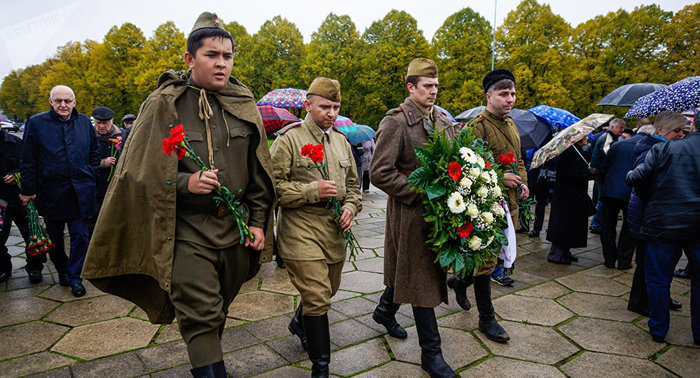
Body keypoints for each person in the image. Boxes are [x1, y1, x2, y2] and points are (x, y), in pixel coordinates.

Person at [81, 12, 276, 377]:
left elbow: (259, 171)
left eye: (228, 56)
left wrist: (259, 221)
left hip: (236, 233)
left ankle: (206, 360)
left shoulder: (243, 102)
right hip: (185, 231)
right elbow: (135, 173)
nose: (221, 63)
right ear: (189, 59)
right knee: (201, 316)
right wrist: (186, 183)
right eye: (211, 55)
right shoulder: (163, 104)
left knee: (217, 310)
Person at [371, 58, 459, 378]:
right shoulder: (396, 121)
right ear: (411, 87)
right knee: (421, 280)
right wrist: (422, 191)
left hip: (439, 214)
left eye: (436, 86)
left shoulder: (443, 119)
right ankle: (431, 354)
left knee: (407, 271)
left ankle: (384, 311)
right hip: (410, 213)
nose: (434, 91)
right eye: (427, 86)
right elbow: (379, 172)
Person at [270, 77, 362, 377]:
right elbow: (272, 188)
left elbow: (353, 187)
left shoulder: (340, 141)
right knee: (318, 295)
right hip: (300, 229)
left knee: (329, 289)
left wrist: (349, 208)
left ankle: (300, 321)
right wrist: (312, 191)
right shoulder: (289, 140)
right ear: (307, 105)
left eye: (336, 107)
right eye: (325, 106)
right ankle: (320, 368)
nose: (331, 113)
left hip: (334, 232)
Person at [625, 116, 700, 345]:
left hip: (662, 223)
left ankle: (658, 329)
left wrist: (653, 194)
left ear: (693, 125)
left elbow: (633, 178)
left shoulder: (664, 148)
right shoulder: (666, 148)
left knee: (658, 279)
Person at [19, 85, 99, 297]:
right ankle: (62, 269)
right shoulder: (36, 123)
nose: (63, 105)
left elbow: (94, 151)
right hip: (51, 191)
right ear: (50, 102)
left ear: (74, 102)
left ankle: (75, 276)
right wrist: (27, 190)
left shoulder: (83, 122)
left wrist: (90, 173)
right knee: (54, 238)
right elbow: (28, 159)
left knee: (81, 236)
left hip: (80, 191)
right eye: (58, 100)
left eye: (67, 100)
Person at [465, 68, 529, 287]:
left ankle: (488, 272)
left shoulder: (511, 124)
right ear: (488, 96)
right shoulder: (477, 127)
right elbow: (469, 169)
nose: (510, 99)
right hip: (487, 204)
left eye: (512, 93)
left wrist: (523, 183)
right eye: (503, 94)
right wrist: (500, 178)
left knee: (504, 246)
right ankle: (474, 290)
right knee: (485, 252)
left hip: (510, 200)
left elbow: (519, 159)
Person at [627, 114, 686, 316]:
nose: (681, 135)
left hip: (649, 213)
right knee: (646, 262)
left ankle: (650, 299)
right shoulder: (653, 149)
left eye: (683, 131)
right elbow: (639, 182)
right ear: (661, 131)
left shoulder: (661, 147)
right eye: (676, 130)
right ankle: (640, 302)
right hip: (647, 214)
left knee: (651, 262)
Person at [0, 128, 45, 283]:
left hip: (20, 197)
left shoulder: (15, 143)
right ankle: (3, 267)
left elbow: (29, 164)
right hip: (0, 201)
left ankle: (34, 268)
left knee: (31, 234)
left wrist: (15, 174)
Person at [598, 127, 645, 270]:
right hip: (632, 191)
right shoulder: (649, 147)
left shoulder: (619, 144)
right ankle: (624, 260)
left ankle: (610, 259)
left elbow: (604, 167)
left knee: (607, 226)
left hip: (611, 191)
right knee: (629, 227)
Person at [546, 136, 593, 264]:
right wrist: (588, 174)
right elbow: (572, 175)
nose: (587, 138)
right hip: (567, 197)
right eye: (585, 136)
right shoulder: (568, 152)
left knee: (569, 227)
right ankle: (558, 255)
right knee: (564, 227)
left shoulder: (577, 150)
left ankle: (565, 252)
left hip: (572, 197)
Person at [589, 118, 625, 233]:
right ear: (612, 127)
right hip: (604, 174)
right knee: (602, 200)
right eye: (621, 127)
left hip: (603, 173)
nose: (622, 130)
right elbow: (608, 155)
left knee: (602, 200)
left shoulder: (610, 137)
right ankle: (595, 223)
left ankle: (596, 223)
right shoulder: (607, 138)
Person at [91, 106, 124, 212]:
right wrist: (102, 163)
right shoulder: (88, 136)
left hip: (117, 187)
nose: (101, 126)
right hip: (95, 188)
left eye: (105, 123)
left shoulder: (122, 135)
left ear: (112, 120)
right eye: (98, 123)